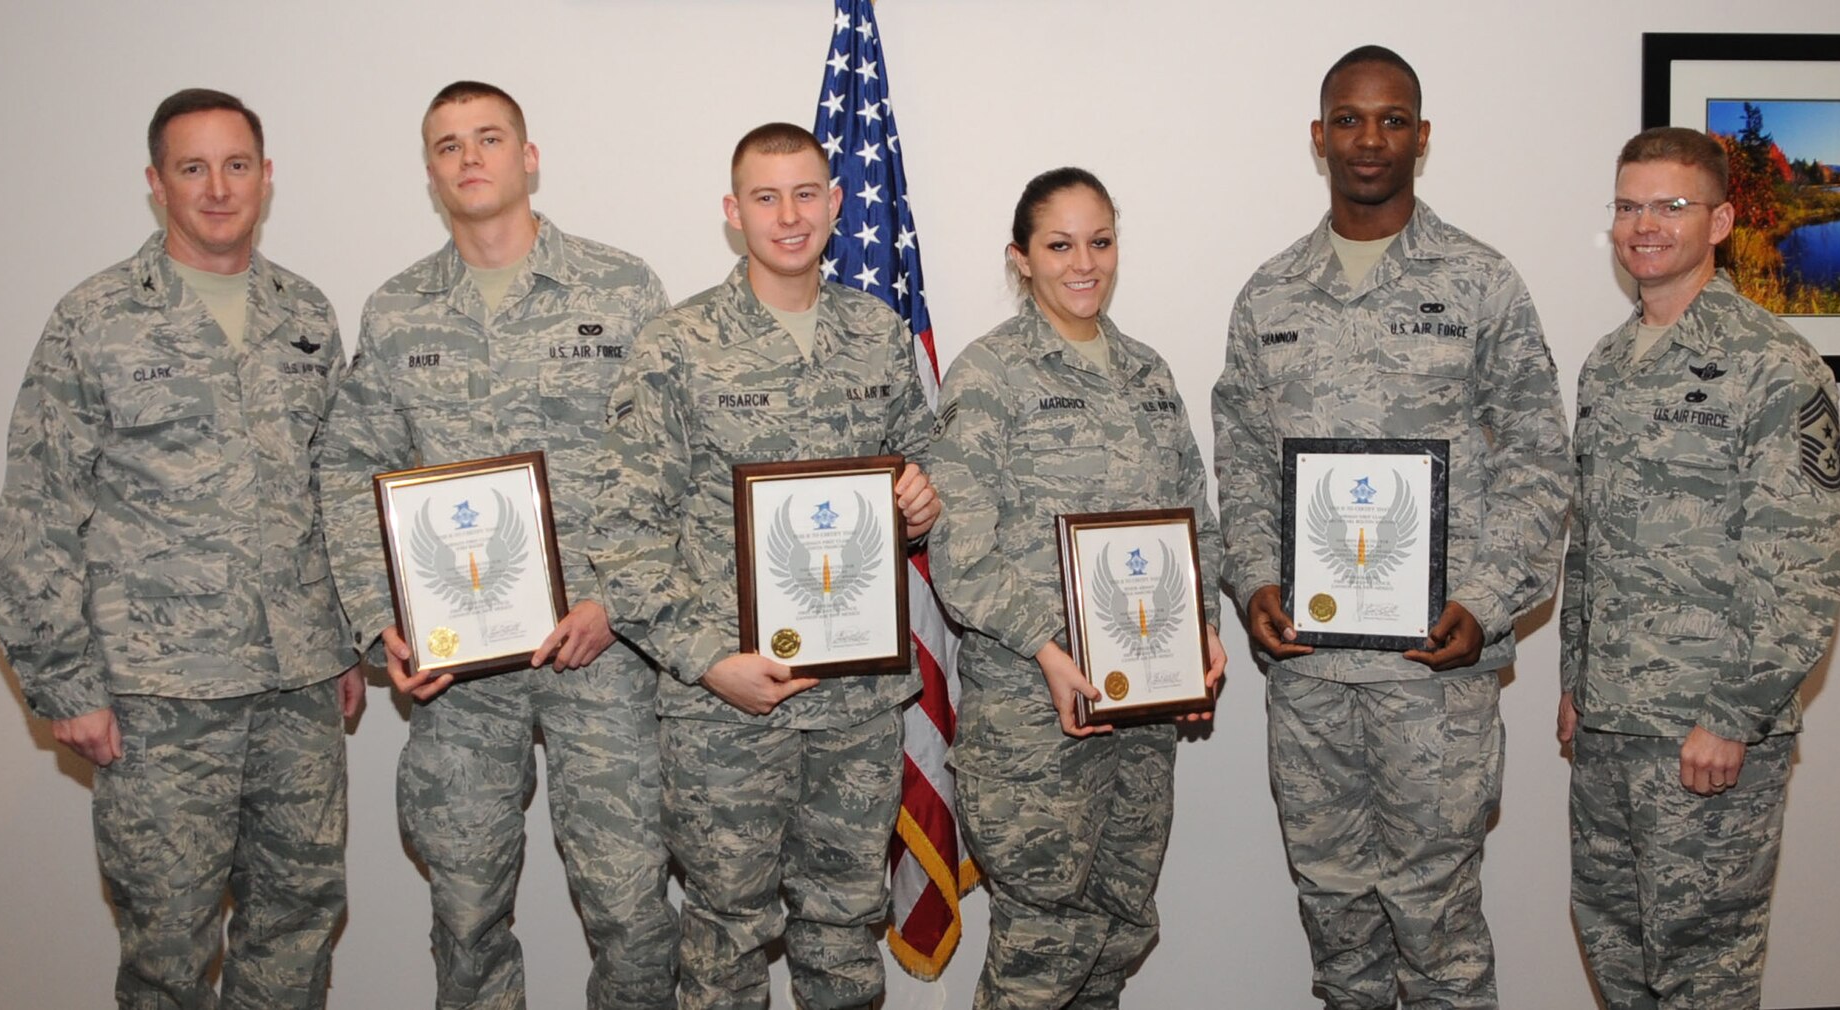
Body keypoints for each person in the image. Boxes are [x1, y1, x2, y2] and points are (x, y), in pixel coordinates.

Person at [1211, 45, 1571, 1009]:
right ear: (1319, 136)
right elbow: (1241, 457)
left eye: (1392, 118)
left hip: (1434, 677)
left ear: (1422, 136)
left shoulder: (1481, 282)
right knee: (1336, 926)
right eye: (1350, 118)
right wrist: (1252, 580)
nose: (1370, 139)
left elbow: (1543, 459)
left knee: (1440, 928)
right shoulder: (1269, 295)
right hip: (1313, 678)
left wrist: (1488, 605)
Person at [0, 88, 361, 1009]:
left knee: (298, 923)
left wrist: (349, 640)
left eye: (237, 166)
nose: (218, 188)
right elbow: (38, 510)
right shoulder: (96, 318)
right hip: (161, 699)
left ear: (266, 178)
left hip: (298, 688)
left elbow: (339, 490)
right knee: (168, 942)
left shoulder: (304, 314)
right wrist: (64, 686)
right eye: (193, 168)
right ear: (156, 185)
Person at [315, 81, 677, 1010]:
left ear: (528, 156)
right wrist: (378, 619)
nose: (470, 158)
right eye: (447, 145)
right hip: (460, 668)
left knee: (631, 908)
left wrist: (620, 602)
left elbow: (673, 460)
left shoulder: (621, 288)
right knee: (467, 911)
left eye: (489, 139)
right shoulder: (397, 312)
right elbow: (351, 467)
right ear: (431, 171)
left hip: (604, 648)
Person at [586, 122, 941, 1010]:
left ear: (837, 202)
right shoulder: (679, 344)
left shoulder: (878, 333)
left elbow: (921, 463)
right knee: (728, 932)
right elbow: (623, 531)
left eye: (807, 193)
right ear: (732, 213)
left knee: (845, 923)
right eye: (766, 197)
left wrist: (925, 496)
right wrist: (710, 662)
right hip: (727, 708)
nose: (790, 215)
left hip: (858, 702)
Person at [1559, 126, 1840, 1010]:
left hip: (1707, 739)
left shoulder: (1775, 366)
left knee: (1703, 977)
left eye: (1670, 206)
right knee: (1617, 957)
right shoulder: (1606, 365)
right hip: (1610, 727)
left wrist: (1735, 716)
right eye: (1627, 205)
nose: (1643, 225)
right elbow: (1592, 542)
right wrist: (1575, 681)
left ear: (1720, 220)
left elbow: (1804, 566)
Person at [927, 167, 1227, 1009]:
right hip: (1034, 722)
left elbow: (1192, 520)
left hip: (1141, 710)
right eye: (1059, 245)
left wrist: (1201, 628)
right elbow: (961, 552)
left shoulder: (1147, 372)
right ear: (1021, 258)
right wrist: (1050, 651)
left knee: (1115, 934)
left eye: (1100, 241)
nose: (1083, 262)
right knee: (1041, 956)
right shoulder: (990, 375)